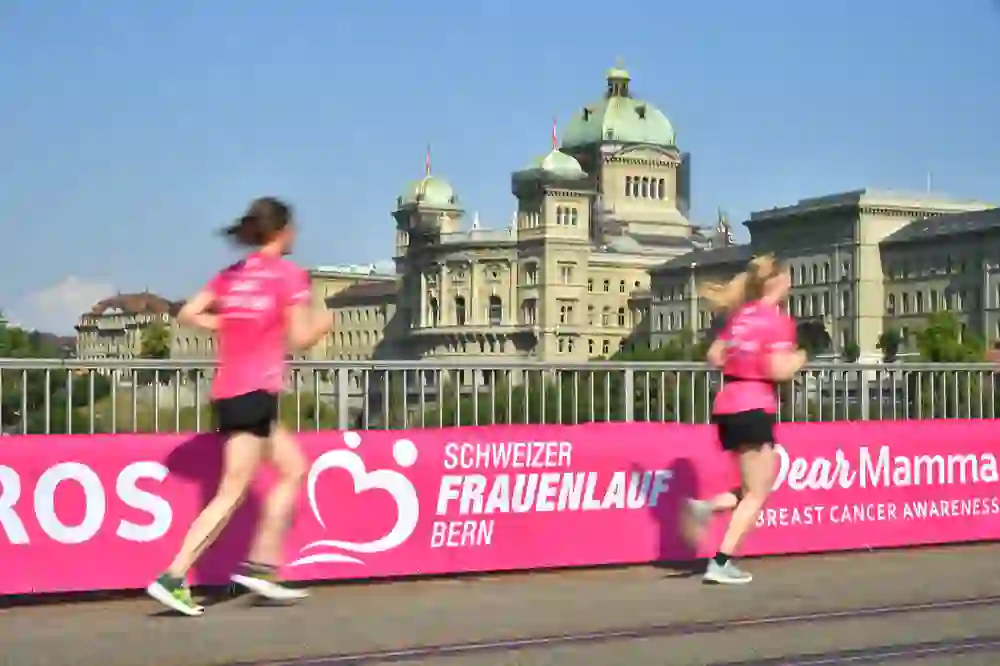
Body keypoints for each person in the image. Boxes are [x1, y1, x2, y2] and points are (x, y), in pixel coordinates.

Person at [146, 197, 334, 616]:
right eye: (293, 228)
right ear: (282, 232)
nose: (296, 235)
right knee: (232, 491)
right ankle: (174, 576)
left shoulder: (232, 275)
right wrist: (325, 322)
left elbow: (188, 313)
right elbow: (300, 338)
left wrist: (228, 322)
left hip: (233, 391)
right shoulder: (289, 276)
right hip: (255, 392)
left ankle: (261, 566)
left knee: (292, 469)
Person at [681, 254, 805, 585]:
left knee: (756, 485)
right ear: (777, 282)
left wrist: (743, 359)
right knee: (757, 494)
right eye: (788, 277)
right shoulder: (776, 320)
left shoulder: (741, 317)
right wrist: (800, 357)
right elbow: (778, 370)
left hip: (727, 405)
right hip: (754, 404)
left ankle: (706, 508)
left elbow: (714, 356)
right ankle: (720, 561)